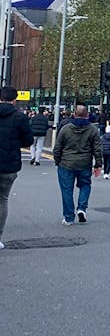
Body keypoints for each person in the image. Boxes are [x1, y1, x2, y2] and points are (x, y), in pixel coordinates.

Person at [52, 104, 103, 226]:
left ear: (74, 114)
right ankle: (81, 208)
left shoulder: (65, 129)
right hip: (84, 163)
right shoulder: (92, 130)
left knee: (67, 191)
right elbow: (97, 149)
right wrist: (98, 164)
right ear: (87, 115)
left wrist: (57, 161)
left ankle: (69, 217)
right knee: (85, 185)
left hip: (66, 163)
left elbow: (58, 148)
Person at [0, 86, 33, 248]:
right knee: (2, 200)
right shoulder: (20, 117)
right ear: (14, 99)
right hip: (9, 164)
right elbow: (28, 141)